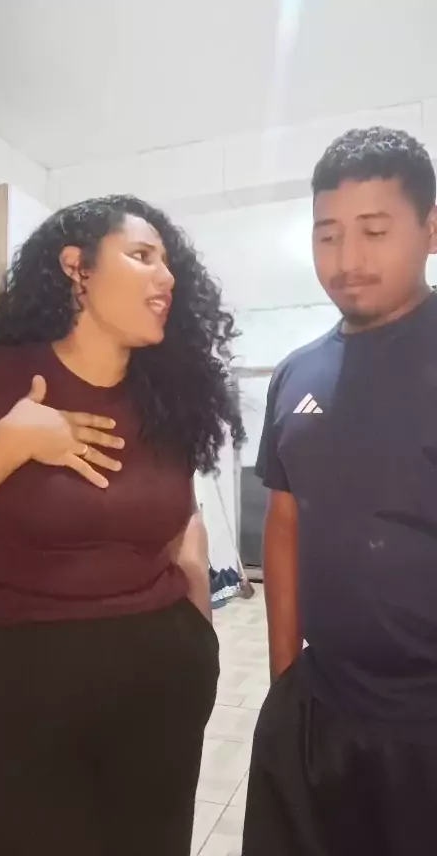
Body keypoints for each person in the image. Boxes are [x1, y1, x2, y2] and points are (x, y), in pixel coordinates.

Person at [0, 194, 244, 856]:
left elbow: (183, 523)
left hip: (159, 685)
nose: (165, 277)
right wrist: (12, 440)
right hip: (14, 688)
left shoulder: (170, 394)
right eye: (142, 256)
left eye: (168, 263)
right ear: (76, 267)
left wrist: (197, 635)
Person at [242, 128, 437, 856]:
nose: (347, 260)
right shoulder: (297, 373)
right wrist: (284, 678)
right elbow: (285, 520)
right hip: (319, 712)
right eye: (327, 234)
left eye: (375, 231)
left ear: (431, 230)